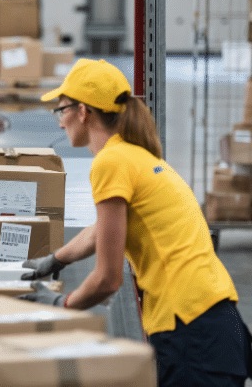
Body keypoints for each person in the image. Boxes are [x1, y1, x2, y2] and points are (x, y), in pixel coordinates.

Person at [20, 58, 251, 386]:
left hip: (189, 330)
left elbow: (108, 279)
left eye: (62, 110)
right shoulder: (137, 156)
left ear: (83, 111)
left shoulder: (110, 162)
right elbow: (100, 231)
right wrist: (55, 259)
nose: (60, 122)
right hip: (213, 320)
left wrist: (62, 304)